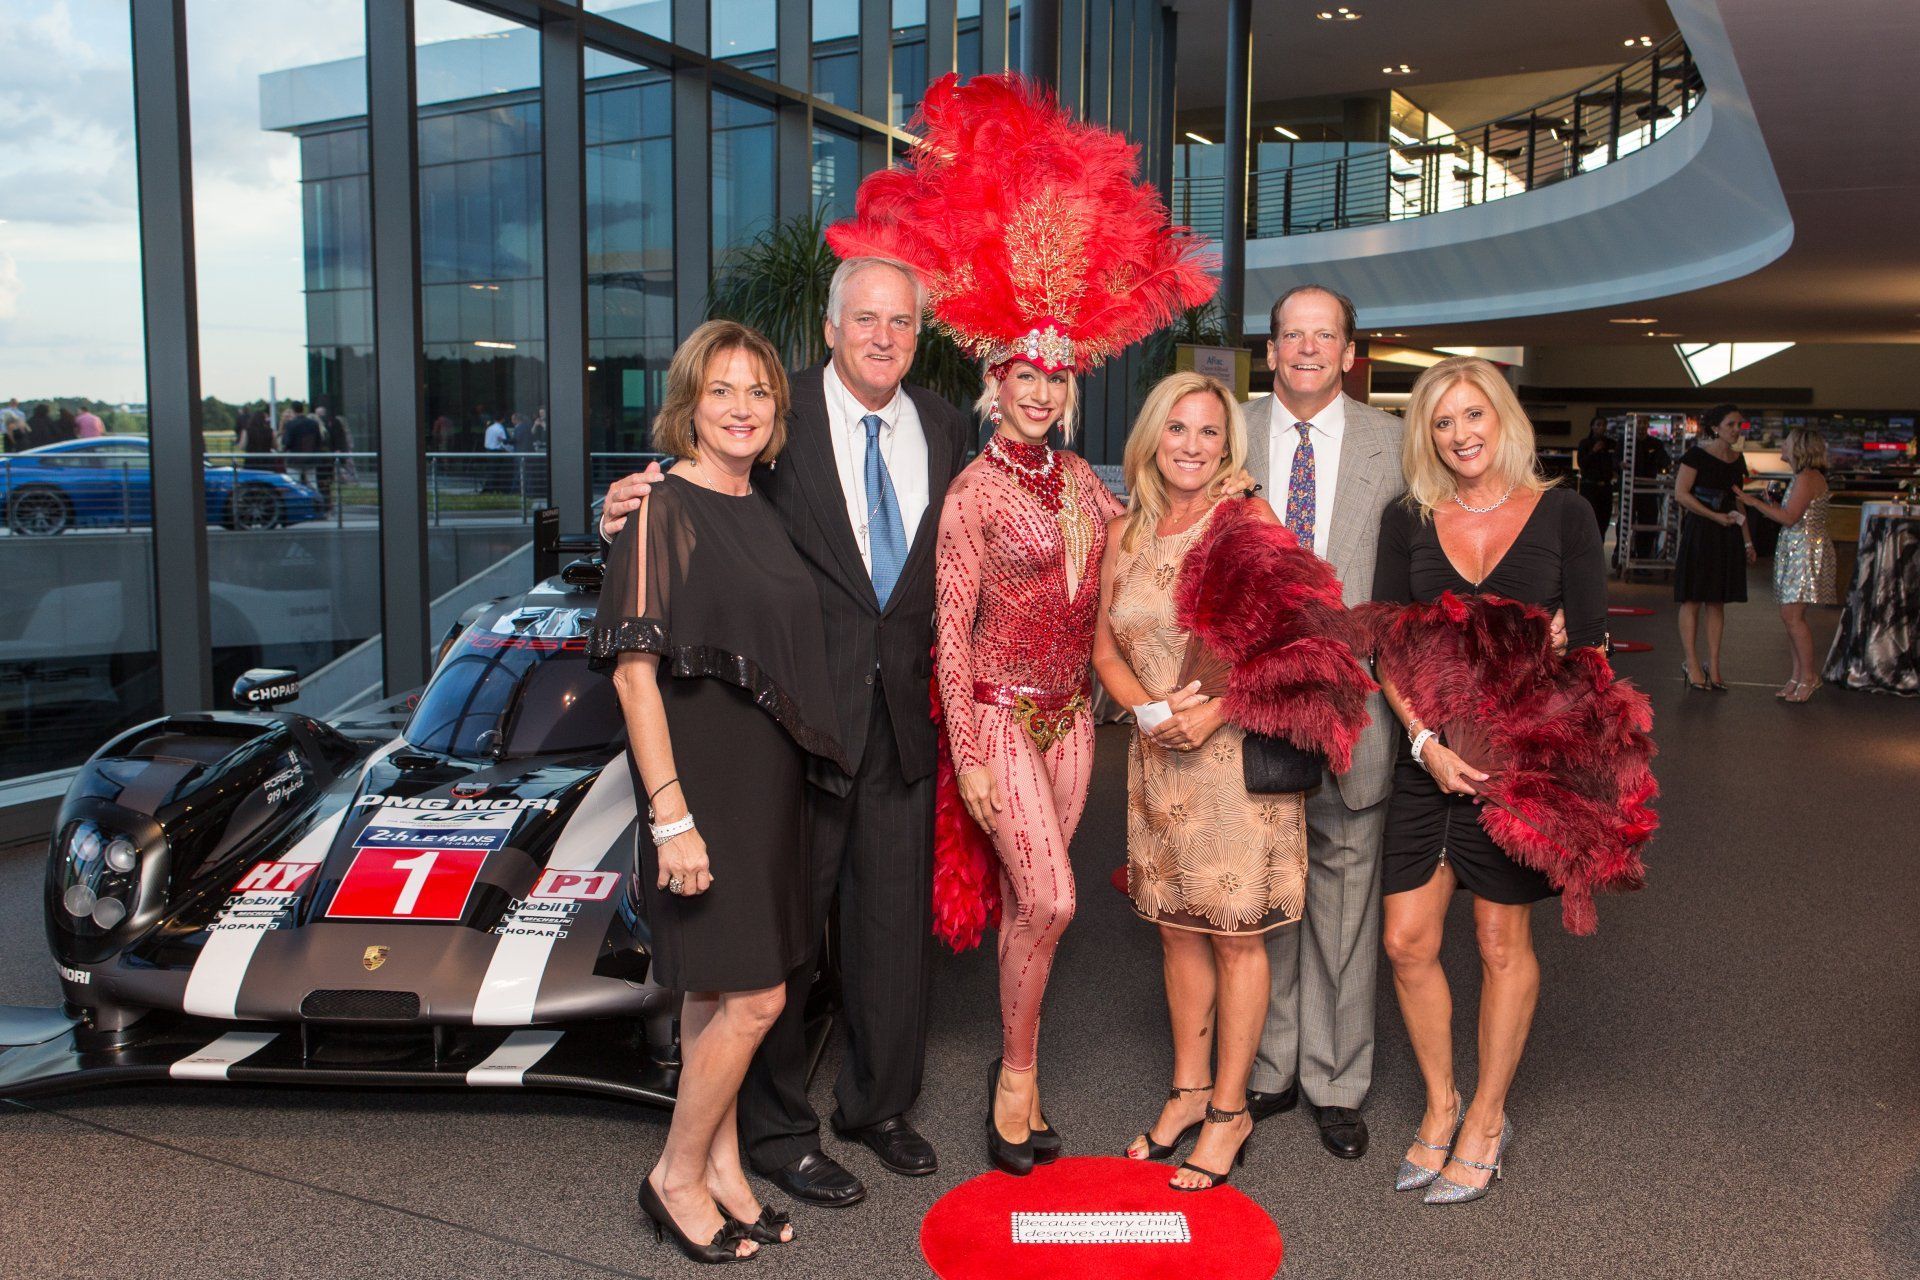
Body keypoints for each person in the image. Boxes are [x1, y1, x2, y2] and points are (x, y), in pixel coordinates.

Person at [833, 70, 1214, 1179]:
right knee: (1047, 893)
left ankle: (1020, 1068)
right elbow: (948, 637)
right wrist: (969, 757)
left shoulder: (1091, 489)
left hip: (1075, 722)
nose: (1039, 390)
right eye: (1021, 375)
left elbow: (1150, 555)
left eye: (1056, 374)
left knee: (1032, 909)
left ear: (1071, 384)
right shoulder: (973, 494)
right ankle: (1014, 1085)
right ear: (994, 380)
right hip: (997, 721)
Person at [601, 256, 972, 1209]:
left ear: (916, 335)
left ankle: (879, 1106)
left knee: (891, 930)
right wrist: (621, 516)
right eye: (865, 319)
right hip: (794, 730)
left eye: (900, 322)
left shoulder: (942, 421)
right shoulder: (777, 412)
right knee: (779, 943)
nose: (883, 337)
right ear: (832, 326)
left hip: (900, 721)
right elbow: (696, 513)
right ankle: (771, 1131)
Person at [590, 320, 849, 1263]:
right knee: (757, 1002)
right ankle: (674, 1173)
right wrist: (671, 818)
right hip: (701, 796)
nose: (741, 408)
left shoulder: (761, 504)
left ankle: (723, 1171)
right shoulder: (664, 508)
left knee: (715, 995)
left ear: (776, 410)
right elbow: (632, 674)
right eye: (721, 391)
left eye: (758, 392)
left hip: (766, 784)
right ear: (688, 404)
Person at [1371, 356, 1608, 1204]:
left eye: (1474, 415)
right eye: (1442, 422)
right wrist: (1425, 741)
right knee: (1406, 941)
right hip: (1430, 758)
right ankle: (1440, 1104)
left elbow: (1593, 653)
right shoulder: (1410, 519)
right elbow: (1388, 646)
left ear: (1503, 418)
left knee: (1500, 942)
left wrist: (1552, 675)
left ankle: (1486, 1117)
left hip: (1517, 765)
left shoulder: (1565, 514)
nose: (1461, 434)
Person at [1093, 373, 1301, 1190]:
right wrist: (1151, 717)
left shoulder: (1245, 521)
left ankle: (1229, 1110)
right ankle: (1186, 1091)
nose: (1190, 445)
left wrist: (1209, 715)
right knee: (1175, 928)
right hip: (1156, 760)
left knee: (1234, 936)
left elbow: (1288, 638)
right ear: (1151, 439)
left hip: (1231, 763)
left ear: (1228, 446)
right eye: (1175, 429)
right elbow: (1105, 649)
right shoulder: (1127, 531)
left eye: (1208, 433)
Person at [1240, 285, 1407, 1160]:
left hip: (1360, 709)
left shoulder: (1394, 444)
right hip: (1251, 709)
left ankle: (1336, 1079)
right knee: (1266, 895)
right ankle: (1267, 1067)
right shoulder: (1224, 427)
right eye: (1291, 334)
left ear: (1350, 353)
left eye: (1324, 335)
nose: (1307, 348)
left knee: (1344, 900)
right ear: (1272, 351)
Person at [1737, 428, 1839, 702]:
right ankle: (1797, 675)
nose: (1783, 445)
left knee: (1793, 617)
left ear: (1800, 448)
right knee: (1790, 616)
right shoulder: (1804, 477)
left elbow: (1790, 518)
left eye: (1788, 442)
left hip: (1803, 550)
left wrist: (1754, 503)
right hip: (1797, 549)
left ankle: (1808, 677)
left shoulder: (1807, 478)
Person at [1673, 403, 1754, 691]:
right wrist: (1713, 515)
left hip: (1727, 532)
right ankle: (1692, 663)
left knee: (1717, 600)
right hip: (1702, 532)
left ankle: (1715, 665)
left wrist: (1747, 540)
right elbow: (1681, 494)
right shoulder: (1696, 455)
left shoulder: (1737, 459)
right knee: (1693, 598)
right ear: (1716, 427)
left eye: (1739, 425)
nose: (1736, 430)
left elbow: (1739, 500)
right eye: (1731, 424)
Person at [1575, 415, 1617, 535]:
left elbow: (1615, 462)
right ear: (1592, 427)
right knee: (1588, 520)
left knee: (1603, 521)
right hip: (1589, 487)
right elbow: (1581, 463)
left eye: (1604, 425)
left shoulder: (1611, 444)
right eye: (1598, 425)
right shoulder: (1585, 443)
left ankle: (1600, 546)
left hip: (1606, 487)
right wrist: (1593, 451)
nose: (1601, 428)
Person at [281, 401, 324, 491]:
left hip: (294, 460)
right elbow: (319, 441)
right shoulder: (313, 423)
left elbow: (287, 442)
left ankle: (297, 503)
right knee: (312, 484)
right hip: (310, 458)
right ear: (302, 409)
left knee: (294, 484)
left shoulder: (290, 425)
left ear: (293, 410)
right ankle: (316, 502)